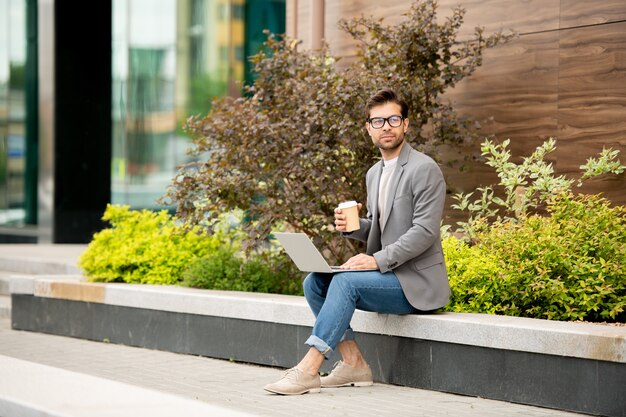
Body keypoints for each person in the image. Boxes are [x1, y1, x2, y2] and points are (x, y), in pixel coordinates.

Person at [264, 89, 451, 395]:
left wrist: (376, 260)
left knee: (346, 283)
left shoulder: (424, 169)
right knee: (315, 283)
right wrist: (353, 228)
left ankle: (309, 368)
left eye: (393, 119)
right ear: (368, 128)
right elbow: (382, 228)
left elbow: (424, 231)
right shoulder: (374, 174)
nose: (386, 127)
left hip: (416, 283)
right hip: (389, 275)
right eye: (378, 121)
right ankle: (354, 364)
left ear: (406, 124)